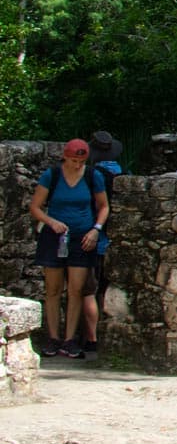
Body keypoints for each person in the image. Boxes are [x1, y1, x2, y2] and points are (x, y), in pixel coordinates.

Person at [29, 139, 111, 359]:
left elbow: (104, 207)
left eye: (81, 161)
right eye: (74, 160)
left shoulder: (93, 176)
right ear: (65, 157)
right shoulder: (52, 175)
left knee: (76, 290)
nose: (77, 165)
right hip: (54, 237)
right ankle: (53, 337)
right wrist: (50, 222)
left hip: (82, 238)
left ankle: (69, 339)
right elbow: (35, 207)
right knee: (53, 289)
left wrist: (96, 230)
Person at [83, 130, 125, 354]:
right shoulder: (125, 175)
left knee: (89, 289)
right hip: (117, 241)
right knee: (105, 290)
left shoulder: (90, 176)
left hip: (94, 238)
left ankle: (92, 337)